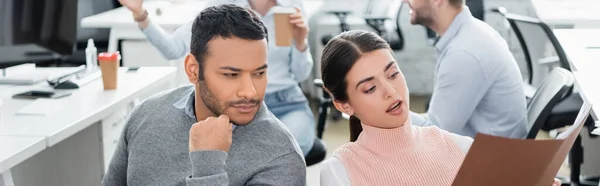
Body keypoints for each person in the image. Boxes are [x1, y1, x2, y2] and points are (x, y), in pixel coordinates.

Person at [318, 30, 560, 186]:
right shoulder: (340, 173)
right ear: (344, 105)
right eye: (370, 88)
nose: (390, 91)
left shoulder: (456, 146)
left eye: (393, 74)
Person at [102, 5, 305, 185]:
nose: (249, 91)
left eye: (259, 73)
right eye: (231, 75)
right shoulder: (145, 116)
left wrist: (208, 164)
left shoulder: (281, 158)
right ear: (192, 70)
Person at [404, 0, 528, 138]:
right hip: (491, 145)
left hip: (489, 156)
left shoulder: (463, 53)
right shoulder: (472, 32)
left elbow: (436, 136)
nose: (404, 1)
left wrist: (384, 112)